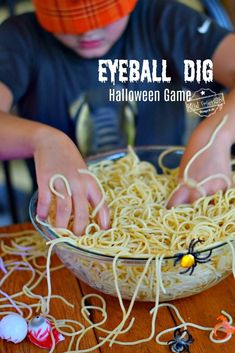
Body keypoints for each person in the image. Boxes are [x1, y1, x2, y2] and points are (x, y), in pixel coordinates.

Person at [0, 0, 234, 235]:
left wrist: (216, 135)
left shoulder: (163, 21)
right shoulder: (20, 38)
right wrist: (43, 140)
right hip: (66, 224)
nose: (87, 31)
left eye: (105, 18)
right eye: (68, 22)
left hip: (178, 209)